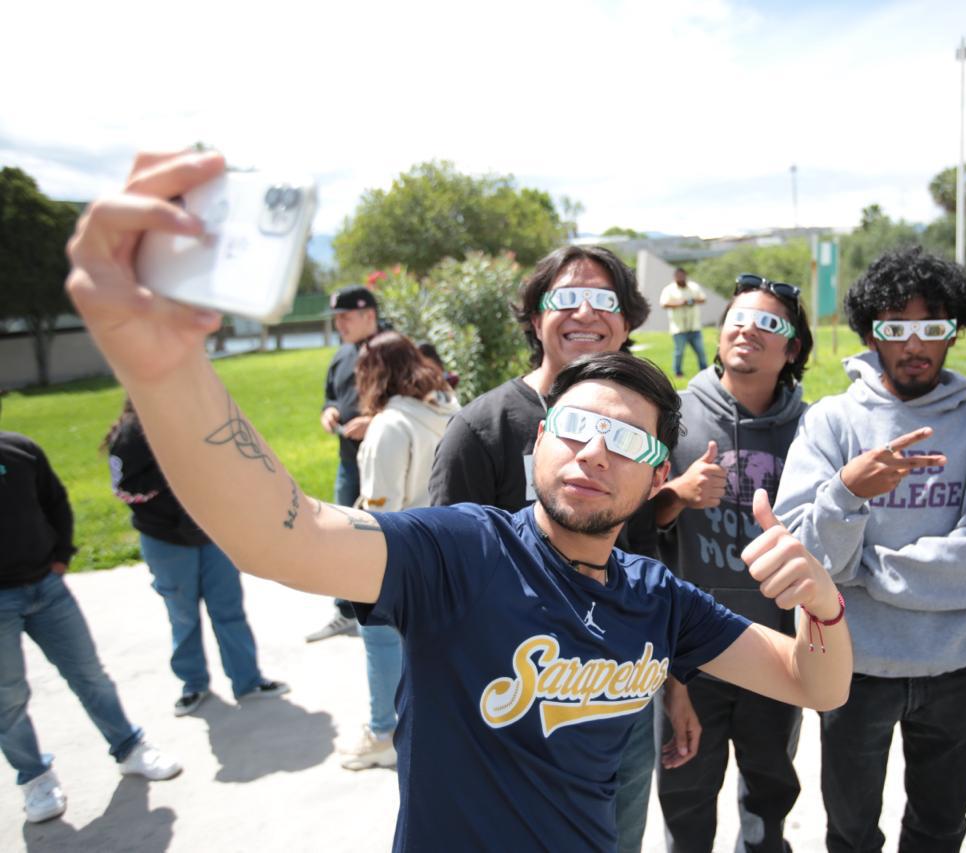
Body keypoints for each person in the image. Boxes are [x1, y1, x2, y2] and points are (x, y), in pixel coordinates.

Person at [64, 151, 852, 850]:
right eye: (576, 426)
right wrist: (164, 368)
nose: (594, 451)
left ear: (656, 480)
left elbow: (816, 685)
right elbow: (283, 534)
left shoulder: (657, 598)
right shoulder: (462, 551)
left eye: (627, 441)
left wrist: (822, 606)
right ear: (538, 440)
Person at [774, 246, 966, 853]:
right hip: (851, 668)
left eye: (931, 328)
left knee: (939, 831)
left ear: (955, 332)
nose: (914, 345)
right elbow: (806, 559)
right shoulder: (831, 424)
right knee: (850, 833)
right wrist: (846, 492)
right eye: (895, 328)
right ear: (870, 334)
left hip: (953, 670)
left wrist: (860, 569)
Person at [426, 243, 659, 851]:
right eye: (567, 298)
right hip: (512, 704)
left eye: (604, 299)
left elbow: (649, 567)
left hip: (621, 696)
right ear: (536, 319)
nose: (586, 312)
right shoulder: (480, 429)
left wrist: (675, 692)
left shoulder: (642, 427)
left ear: (627, 322)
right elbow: (442, 583)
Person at [654, 273, 814, 853]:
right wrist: (677, 494)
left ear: (792, 349)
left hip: (776, 653)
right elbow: (633, 530)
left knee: (769, 804)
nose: (748, 330)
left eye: (769, 323)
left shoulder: (812, 428)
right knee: (686, 802)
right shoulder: (671, 416)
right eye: (737, 319)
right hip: (691, 656)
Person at [1, 417, 181, 825]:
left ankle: (128, 747)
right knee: (7, 696)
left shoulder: (20, 449)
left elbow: (55, 501)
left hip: (46, 587)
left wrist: (61, 556)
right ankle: (35, 777)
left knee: (89, 674)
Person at [104, 399, 289, 716]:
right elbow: (124, 489)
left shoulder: (198, 419)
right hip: (166, 541)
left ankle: (248, 680)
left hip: (213, 534)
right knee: (183, 616)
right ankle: (193, 684)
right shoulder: (131, 432)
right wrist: (173, 468)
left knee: (229, 611)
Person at [341, 331, 459, 771]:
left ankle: (382, 733)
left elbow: (380, 513)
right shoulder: (448, 407)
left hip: (400, 556)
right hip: (447, 550)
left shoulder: (390, 425)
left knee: (380, 641)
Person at [309, 283, 381, 642]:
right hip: (349, 462)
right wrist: (330, 411)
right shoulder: (341, 354)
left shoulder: (395, 349)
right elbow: (330, 396)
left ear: (369, 315)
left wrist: (375, 421)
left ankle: (384, 610)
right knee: (341, 532)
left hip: (385, 464)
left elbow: (420, 400)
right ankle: (345, 611)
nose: (339, 325)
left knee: (382, 535)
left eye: (345, 317)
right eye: (336, 319)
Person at [660, 268, 709, 377]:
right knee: (679, 353)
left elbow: (703, 299)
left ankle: (705, 371)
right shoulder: (669, 289)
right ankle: (678, 372)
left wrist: (692, 301)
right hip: (678, 328)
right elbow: (664, 304)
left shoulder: (694, 287)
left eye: (682, 276)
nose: (680, 278)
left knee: (701, 351)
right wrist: (681, 302)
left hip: (694, 327)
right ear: (674, 277)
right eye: (678, 276)